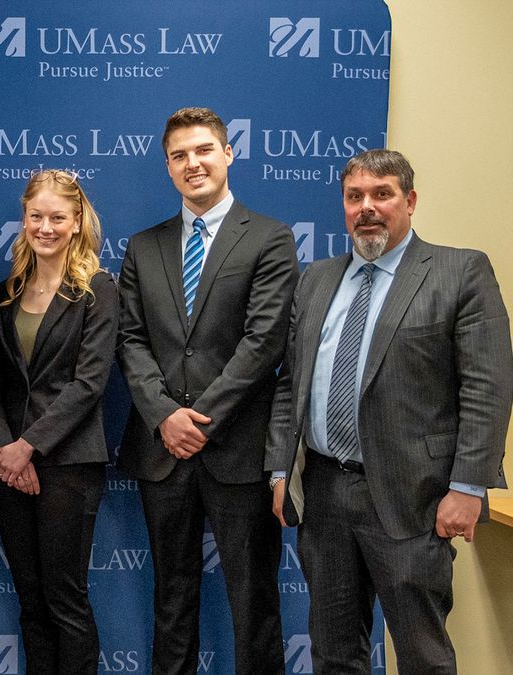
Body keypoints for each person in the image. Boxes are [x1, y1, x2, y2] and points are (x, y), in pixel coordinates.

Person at [266, 148, 513, 673]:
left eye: (382, 194)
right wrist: (281, 469)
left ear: (410, 200)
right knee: (334, 653)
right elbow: (291, 385)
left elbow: (487, 388)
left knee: (422, 654)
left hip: (414, 498)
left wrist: (468, 487)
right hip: (326, 494)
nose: (367, 208)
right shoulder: (316, 279)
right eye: (354, 197)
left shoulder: (459, 271)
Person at [116, 107, 297, 674]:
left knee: (254, 601)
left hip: (239, 450)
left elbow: (263, 342)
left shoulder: (270, 237)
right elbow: (130, 339)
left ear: (227, 153)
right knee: (171, 597)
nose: (192, 163)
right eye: (179, 156)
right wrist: (165, 415)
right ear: (168, 167)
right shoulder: (143, 247)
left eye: (202, 151)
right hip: (161, 449)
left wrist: (198, 418)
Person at [0, 170, 119, 674]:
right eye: (36, 216)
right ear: (23, 220)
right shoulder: (5, 292)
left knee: (65, 601)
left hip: (68, 464)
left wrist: (30, 447)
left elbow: (89, 383)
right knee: (31, 603)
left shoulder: (98, 290)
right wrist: (7, 449)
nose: (45, 227)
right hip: (8, 467)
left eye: (57, 217)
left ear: (77, 221)